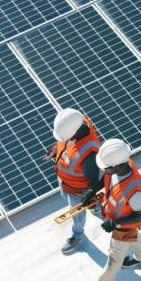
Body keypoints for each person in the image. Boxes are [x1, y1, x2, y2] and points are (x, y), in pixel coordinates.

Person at [88, 139, 141, 281]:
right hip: (120, 221)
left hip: (123, 224)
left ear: (118, 166)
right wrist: (93, 191)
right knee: (133, 237)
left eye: (107, 168)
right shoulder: (119, 166)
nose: (105, 171)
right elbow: (107, 180)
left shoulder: (135, 189)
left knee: (115, 255)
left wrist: (115, 222)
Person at [47, 108, 102, 254]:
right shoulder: (75, 122)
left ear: (75, 132)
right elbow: (67, 145)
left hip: (78, 191)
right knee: (65, 196)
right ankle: (94, 207)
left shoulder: (89, 152)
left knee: (77, 215)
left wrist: (89, 196)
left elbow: (96, 180)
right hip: (65, 182)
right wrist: (56, 150)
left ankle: (78, 235)